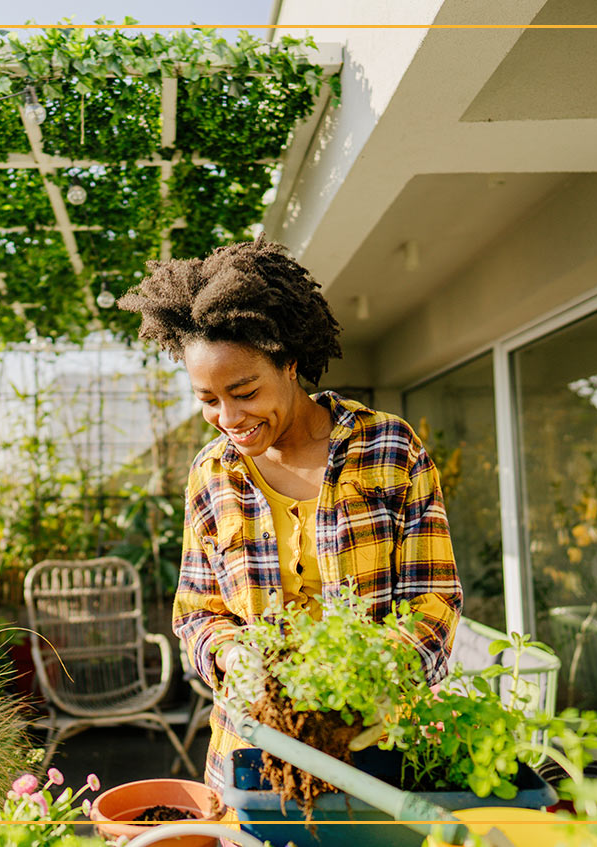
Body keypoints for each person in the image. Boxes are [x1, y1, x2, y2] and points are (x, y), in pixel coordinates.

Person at [117, 236, 463, 795]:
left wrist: (368, 679)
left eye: (244, 391)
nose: (228, 416)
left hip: (378, 752)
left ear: (291, 363)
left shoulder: (388, 448)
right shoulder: (213, 475)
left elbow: (435, 599)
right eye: (208, 400)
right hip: (253, 752)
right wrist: (234, 656)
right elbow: (197, 612)